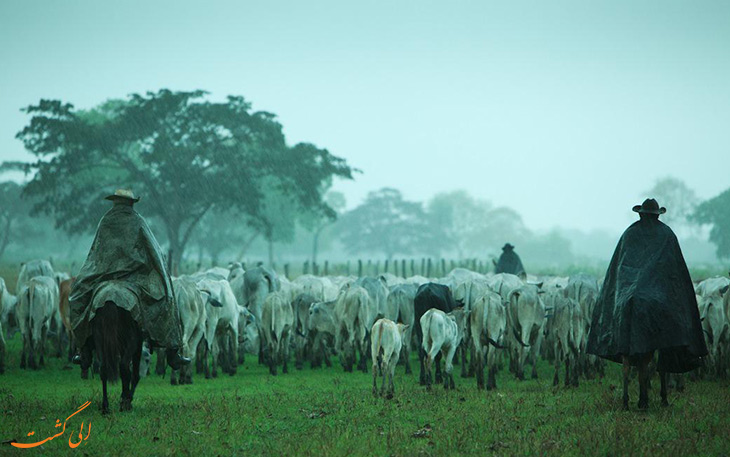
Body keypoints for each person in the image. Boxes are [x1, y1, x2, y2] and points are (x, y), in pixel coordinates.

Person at [70, 189, 190, 370]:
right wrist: (161, 270)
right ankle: (172, 350)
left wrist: (100, 269)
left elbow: (95, 252)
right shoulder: (137, 220)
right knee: (165, 298)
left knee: (77, 296)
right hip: (135, 277)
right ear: (131, 203)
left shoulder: (105, 221)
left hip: (103, 274)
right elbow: (154, 250)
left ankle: (83, 348)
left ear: (115, 202)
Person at [587, 198, 706, 374]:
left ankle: (617, 345)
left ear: (641, 214)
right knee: (677, 317)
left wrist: (626, 292)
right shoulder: (667, 234)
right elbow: (676, 274)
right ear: (657, 216)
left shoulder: (629, 234)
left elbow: (618, 272)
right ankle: (679, 354)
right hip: (660, 298)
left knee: (617, 310)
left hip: (628, 296)